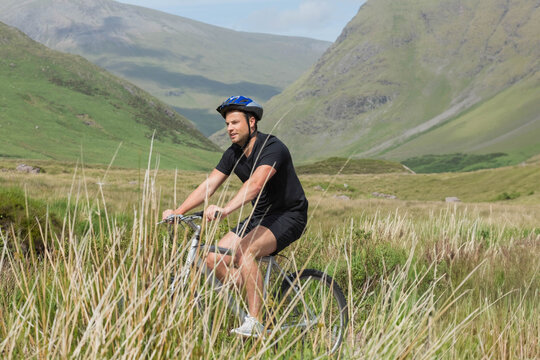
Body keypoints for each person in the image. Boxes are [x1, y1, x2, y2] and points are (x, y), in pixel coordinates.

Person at [162, 95, 308, 337]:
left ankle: (256, 321)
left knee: (245, 251)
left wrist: (226, 209)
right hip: (260, 216)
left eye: (235, 122)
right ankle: (256, 297)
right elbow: (210, 184)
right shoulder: (233, 153)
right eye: (227, 124)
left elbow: (255, 184)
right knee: (210, 258)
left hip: (289, 215)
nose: (229, 128)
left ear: (252, 123)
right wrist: (178, 212)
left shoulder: (272, 148)